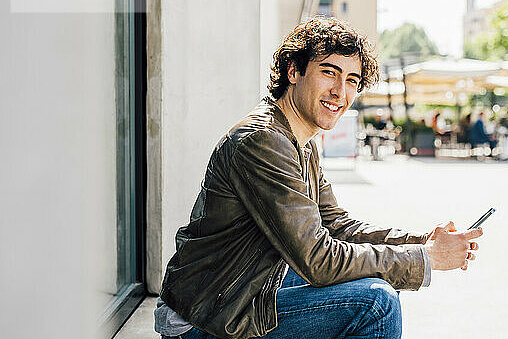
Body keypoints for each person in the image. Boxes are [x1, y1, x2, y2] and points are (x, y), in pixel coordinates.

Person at [154, 17, 483, 339]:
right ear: (293, 72)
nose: (340, 92)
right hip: (210, 316)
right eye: (330, 73)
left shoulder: (301, 143)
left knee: (370, 284)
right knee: (375, 303)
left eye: (352, 80)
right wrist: (425, 259)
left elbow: (337, 226)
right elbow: (318, 258)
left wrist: (420, 242)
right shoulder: (261, 141)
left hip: (247, 288)